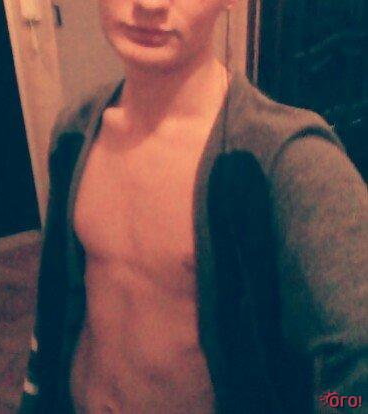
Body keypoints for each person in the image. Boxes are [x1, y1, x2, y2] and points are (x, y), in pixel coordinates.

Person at [19, 0, 367, 413]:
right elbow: (56, 298)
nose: (149, 4)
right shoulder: (74, 133)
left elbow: (358, 359)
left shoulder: (288, 160)